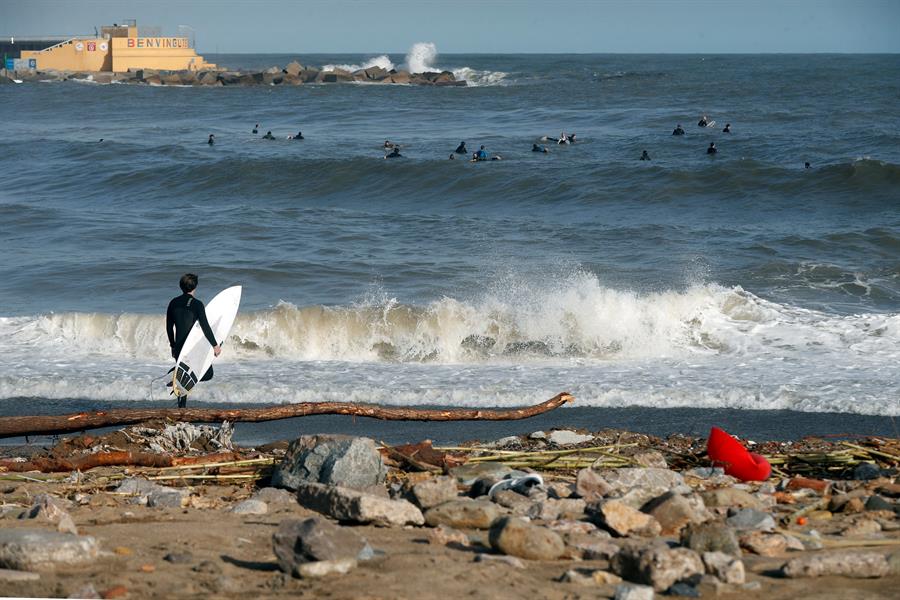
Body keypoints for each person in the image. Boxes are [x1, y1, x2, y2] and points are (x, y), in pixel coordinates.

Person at [166, 274, 221, 408]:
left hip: (179, 346)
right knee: (208, 374)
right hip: (191, 346)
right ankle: (179, 381)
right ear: (195, 286)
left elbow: (169, 327)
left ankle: (181, 405)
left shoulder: (173, 302)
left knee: (184, 380)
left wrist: (173, 345)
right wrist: (215, 345)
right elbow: (205, 326)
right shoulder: (197, 304)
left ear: (181, 286)